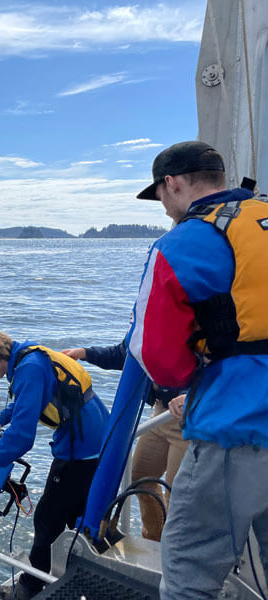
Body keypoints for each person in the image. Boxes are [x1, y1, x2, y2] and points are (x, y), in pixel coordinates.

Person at [127, 141, 268, 599]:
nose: (166, 209)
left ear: (173, 184)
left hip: (240, 423)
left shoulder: (185, 240)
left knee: (188, 566)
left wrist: (188, 383)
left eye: (162, 197)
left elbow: (155, 353)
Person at [0, 329, 109, 599]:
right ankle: (84, 569)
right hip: (96, 436)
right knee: (80, 513)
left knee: (48, 517)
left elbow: (23, 436)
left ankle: (31, 586)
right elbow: (32, 398)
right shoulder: (29, 357)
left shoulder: (28, 369)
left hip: (81, 446)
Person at [62, 341, 188, 541]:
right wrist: (86, 353)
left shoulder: (196, 318)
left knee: (178, 491)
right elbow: (128, 353)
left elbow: (216, 364)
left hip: (187, 416)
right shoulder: (148, 319)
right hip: (161, 410)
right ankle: (155, 537)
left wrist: (191, 395)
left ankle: (174, 549)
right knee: (141, 476)